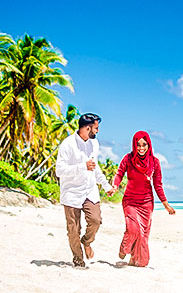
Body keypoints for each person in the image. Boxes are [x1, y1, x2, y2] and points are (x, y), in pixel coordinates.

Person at [56, 113, 115, 267]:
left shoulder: (94, 144)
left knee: (95, 220)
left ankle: (87, 242)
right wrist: (82, 167)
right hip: (71, 193)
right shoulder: (67, 144)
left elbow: (95, 168)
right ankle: (78, 259)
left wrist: (106, 185)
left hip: (89, 190)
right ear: (87, 128)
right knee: (73, 230)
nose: (98, 131)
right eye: (96, 128)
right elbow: (59, 171)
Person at [110, 131, 175, 267]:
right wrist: (115, 186)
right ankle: (124, 248)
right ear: (134, 145)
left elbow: (157, 185)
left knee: (143, 236)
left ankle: (135, 260)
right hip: (130, 201)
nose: (141, 148)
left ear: (148, 145)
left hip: (146, 203)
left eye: (144, 144)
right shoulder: (128, 159)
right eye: (138, 145)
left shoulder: (155, 162)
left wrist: (166, 205)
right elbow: (119, 173)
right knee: (133, 229)